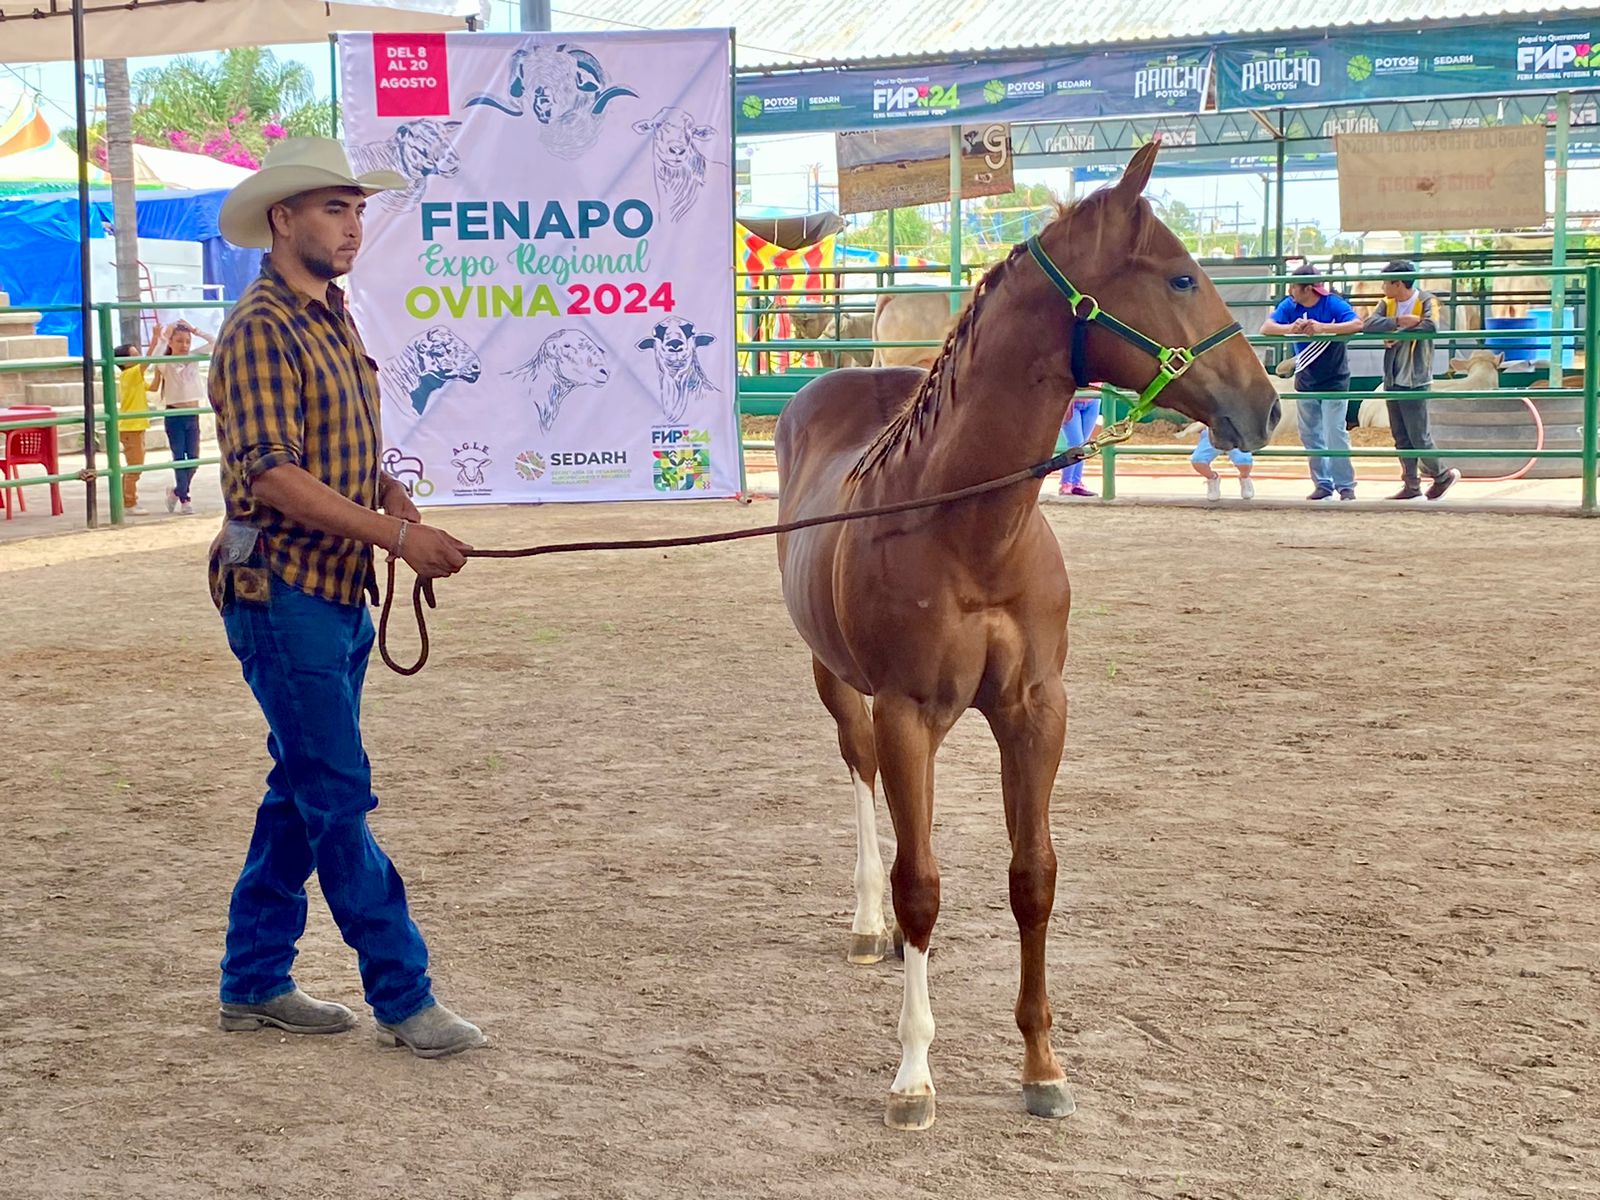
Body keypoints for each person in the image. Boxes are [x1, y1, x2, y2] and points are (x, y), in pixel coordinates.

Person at [209, 138, 484, 1058]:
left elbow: (336, 452)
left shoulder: (332, 316)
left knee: (301, 787)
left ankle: (253, 982)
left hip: (324, 587)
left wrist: (389, 494)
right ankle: (405, 997)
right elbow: (274, 477)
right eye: (334, 209)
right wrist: (400, 537)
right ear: (283, 220)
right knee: (334, 794)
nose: (353, 225)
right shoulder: (262, 327)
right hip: (280, 586)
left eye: (358, 209)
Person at [1261, 263, 1363, 501]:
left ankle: (1345, 485)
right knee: (1310, 434)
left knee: (1334, 432)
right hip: (1306, 379)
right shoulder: (1291, 305)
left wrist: (1323, 329)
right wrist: (1291, 328)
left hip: (1334, 379)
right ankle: (1323, 483)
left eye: (1294, 286)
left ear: (1307, 289)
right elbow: (1266, 327)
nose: (1290, 291)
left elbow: (1357, 324)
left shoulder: (1333, 304)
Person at [1363, 260, 1460, 501]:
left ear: (1398, 284)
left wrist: (1398, 334)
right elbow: (1369, 324)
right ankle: (1411, 484)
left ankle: (1441, 474)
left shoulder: (1427, 300)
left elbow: (1430, 326)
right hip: (1393, 376)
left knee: (1419, 435)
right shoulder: (1387, 304)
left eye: (1386, 282)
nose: (1383, 287)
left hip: (1416, 377)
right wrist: (1400, 323)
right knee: (1401, 435)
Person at [150, 319, 213, 514]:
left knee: (193, 458)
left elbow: (215, 342)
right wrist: (164, 336)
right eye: (179, 341)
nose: (184, 345)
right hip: (175, 414)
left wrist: (196, 329)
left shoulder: (194, 357)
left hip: (192, 414)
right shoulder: (166, 363)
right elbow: (155, 356)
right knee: (179, 456)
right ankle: (186, 498)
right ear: (171, 343)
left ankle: (177, 491)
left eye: (187, 341)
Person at [115, 329, 160, 515]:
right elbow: (145, 363)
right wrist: (155, 340)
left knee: (135, 466)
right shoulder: (129, 375)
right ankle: (128, 502)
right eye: (135, 355)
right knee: (134, 467)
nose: (139, 357)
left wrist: (160, 370)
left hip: (137, 426)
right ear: (125, 362)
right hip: (131, 427)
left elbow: (155, 387)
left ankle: (126, 500)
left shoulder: (136, 377)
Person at [1190, 427, 1254, 501]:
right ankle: (1212, 478)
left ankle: (1244, 477)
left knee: (1244, 460)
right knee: (1198, 460)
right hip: (1212, 434)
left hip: (1237, 433)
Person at [1057, 390, 1101, 496]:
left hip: (1093, 398)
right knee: (1076, 442)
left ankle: (1076, 482)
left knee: (1083, 444)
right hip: (1072, 400)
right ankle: (1066, 483)